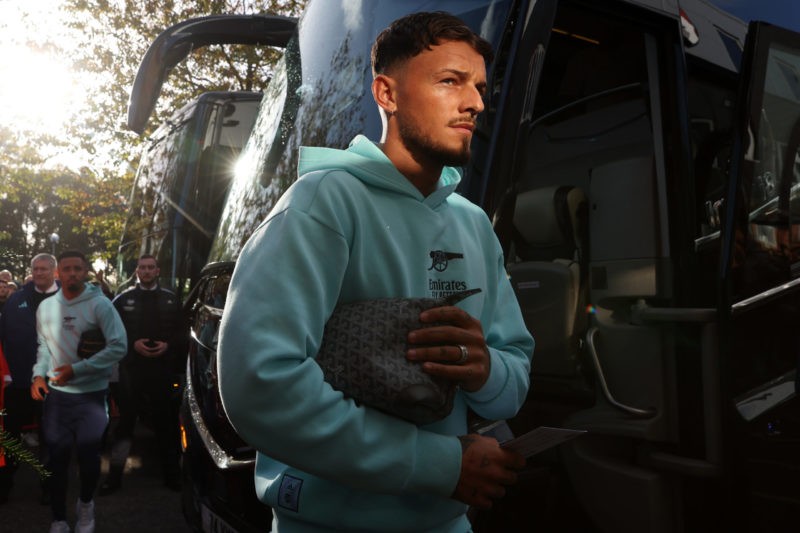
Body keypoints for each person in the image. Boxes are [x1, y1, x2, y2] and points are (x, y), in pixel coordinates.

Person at [217, 11, 534, 532]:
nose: (475, 102)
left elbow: (514, 377)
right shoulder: (323, 203)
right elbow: (260, 384)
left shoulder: (474, 224)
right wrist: (440, 464)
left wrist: (483, 369)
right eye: (450, 81)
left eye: (479, 86)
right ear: (386, 94)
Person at [31, 250, 127, 533]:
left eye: (77, 268)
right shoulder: (45, 307)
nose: (72, 273)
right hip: (58, 398)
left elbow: (119, 347)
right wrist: (38, 374)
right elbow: (44, 347)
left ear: (85, 271)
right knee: (56, 460)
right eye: (67, 269)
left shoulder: (101, 306)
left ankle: (86, 505)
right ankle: (58, 519)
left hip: (92, 396)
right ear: (57, 273)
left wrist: (79, 369)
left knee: (89, 459)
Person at [100, 254, 184, 494]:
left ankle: (172, 477)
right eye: (142, 268)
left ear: (157, 271)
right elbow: (111, 334)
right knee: (125, 425)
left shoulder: (171, 300)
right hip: (130, 371)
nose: (146, 271)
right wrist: (131, 345)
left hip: (162, 371)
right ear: (136, 271)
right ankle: (113, 478)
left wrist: (168, 345)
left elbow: (183, 333)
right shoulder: (121, 299)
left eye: (151, 267)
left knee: (166, 424)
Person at [0, 254, 59, 505]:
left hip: (55, 383)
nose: (39, 273)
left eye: (44, 269)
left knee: (51, 437)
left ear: (55, 272)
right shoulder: (17, 299)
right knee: (10, 436)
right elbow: (4, 336)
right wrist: (7, 373)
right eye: (35, 269)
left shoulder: (69, 299)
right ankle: (4, 484)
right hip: (19, 382)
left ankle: (49, 486)